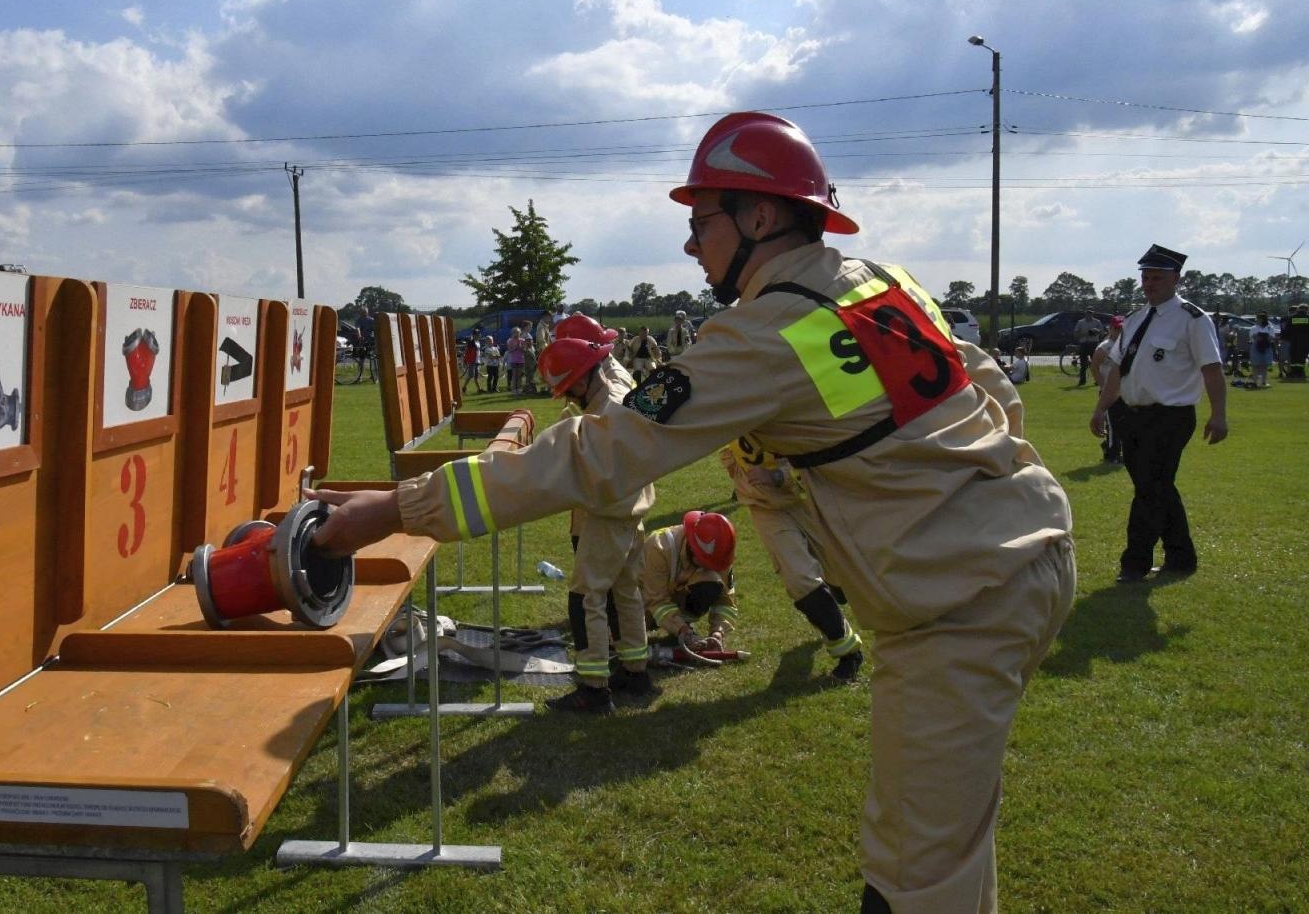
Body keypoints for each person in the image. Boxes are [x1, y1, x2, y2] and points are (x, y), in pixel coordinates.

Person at [311, 111, 1075, 912]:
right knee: (954, 850)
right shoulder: (883, 282)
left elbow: (594, 453)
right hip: (1030, 549)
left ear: (760, 216)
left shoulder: (766, 332)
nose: (688, 244)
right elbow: (988, 386)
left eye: (699, 220)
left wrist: (396, 508)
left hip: (957, 607)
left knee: (915, 884)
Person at [1090, 244, 1227, 583]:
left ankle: (1134, 563)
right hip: (1130, 415)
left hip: (1169, 417)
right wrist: (1101, 409)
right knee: (1157, 487)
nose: (1149, 284)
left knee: (1149, 489)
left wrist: (1219, 414)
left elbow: (1212, 369)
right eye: (1145, 277)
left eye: (1157, 278)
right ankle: (1181, 556)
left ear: (1176, 280)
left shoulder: (1193, 320)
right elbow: (1117, 371)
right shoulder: (1135, 319)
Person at [537, 336, 657, 713]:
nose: (568, 397)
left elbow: (594, 472)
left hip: (609, 513)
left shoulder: (604, 414)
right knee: (626, 591)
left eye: (568, 387)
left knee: (585, 595)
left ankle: (593, 688)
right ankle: (636, 673)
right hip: (632, 508)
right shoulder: (608, 398)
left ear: (582, 377)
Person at [720, 441, 864, 679]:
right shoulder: (729, 409)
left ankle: (833, 591)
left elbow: (817, 453)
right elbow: (726, 448)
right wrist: (742, 478)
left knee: (837, 574)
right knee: (801, 579)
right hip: (766, 506)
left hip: (808, 499)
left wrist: (777, 476)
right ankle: (847, 651)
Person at [641, 510, 738, 651]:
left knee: (711, 583)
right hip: (642, 597)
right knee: (622, 634)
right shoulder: (659, 547)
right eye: (705, 563)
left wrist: (718, 632)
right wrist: (683, 630)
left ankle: (682, 623)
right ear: (692, 547)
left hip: (670, 596)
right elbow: (657, 601)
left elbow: (726, 602)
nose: (710, 568)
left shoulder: (720, 556)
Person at [1089, 318, 1126, 462]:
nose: (1119, 332)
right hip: (1109, 393)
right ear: (1110, 329)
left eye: (1122, 329)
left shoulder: (1127, 345)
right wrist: (1104, 386)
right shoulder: (1105, 347)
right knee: (1112, 425)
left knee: (1124, 423)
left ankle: (1111, 447)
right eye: (1116, 329)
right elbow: (1094, 367)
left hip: (1124, 392)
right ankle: (1112, 455)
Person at [1073, 313, 1104, 386]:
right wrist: (1086, 333)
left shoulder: (1097, 322)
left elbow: (1102, 332)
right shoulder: (1080, 322)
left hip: (1093, 344)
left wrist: (1096, 331)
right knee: (1083, 364)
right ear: (1086, 313)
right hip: (1084, 344)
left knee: (1095, 364)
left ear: (1092, 313)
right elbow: (1076, 334)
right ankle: (1082, 381)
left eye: (1091, 313)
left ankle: (1097, 380)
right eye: (1088, 313)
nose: (1089, 314)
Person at [1245, 311, 1274, 389]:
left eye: (1258, 319)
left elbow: (1271, 338)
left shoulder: (1269, 328)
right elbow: (1253, 338)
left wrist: (1262, 337)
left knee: (1264, 366)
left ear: (1262, 319)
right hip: (1255, 347)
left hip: (1266, 347)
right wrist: (1262, 337)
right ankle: (1255, 382)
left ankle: (1263, 382)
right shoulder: (1254, 328)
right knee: (1255, 365)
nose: (1256, 320)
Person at [1282, 303, 1309, 380]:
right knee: (1302, 357)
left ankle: (1293, 373)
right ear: (1306, 310)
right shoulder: (1308, 318)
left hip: (1293, 340)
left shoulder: (1292, 318)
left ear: (1298, 309)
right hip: (1305, 341)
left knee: (1294, 357)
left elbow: (1287, 330)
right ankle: (1301, 373)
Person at [503, 325, 528, 394]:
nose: (516, 334)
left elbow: (525, 350)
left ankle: (519, 388)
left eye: (517, 332)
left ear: (520, 333)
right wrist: (515, 348)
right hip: (513, 360)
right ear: (512, 333)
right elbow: (509, 350)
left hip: (521, 360)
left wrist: (520, 347)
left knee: (519, 376)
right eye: (514, 332)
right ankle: (514, 389)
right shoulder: (510, 341)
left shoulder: (522, 340)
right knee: (514, 375)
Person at [461, 329, 482, 394]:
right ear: (474, 335)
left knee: (476, 376)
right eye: (477, 334)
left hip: (477, 361)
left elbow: (478, 352)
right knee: (470, 375)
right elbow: (467, 352)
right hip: (472, 361)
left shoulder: (478, 342)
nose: (478, 335)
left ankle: (479, 389)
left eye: (478, 334)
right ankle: (464, 387)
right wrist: (465, 360)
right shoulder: (471, 342)